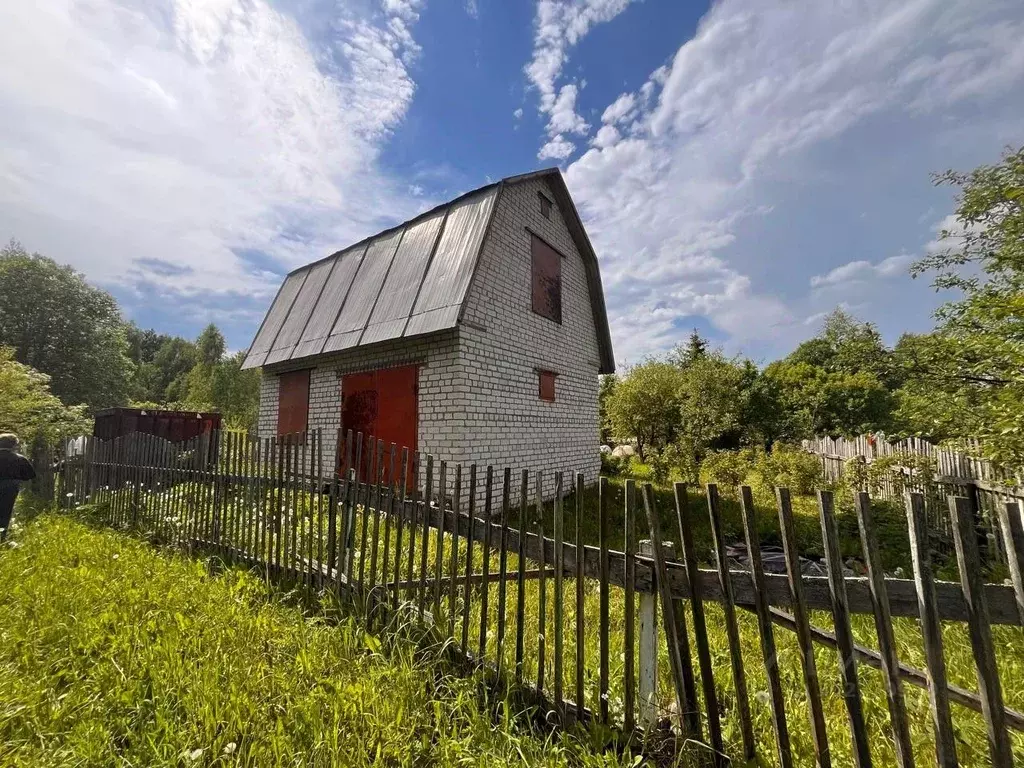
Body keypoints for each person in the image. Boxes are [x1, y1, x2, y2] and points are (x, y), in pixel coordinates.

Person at [0, 434, 36, 542]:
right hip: (10, 487)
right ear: (14, 445)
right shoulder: (19, 459)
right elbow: (30, 475)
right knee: (5, 511)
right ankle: (2, 537)